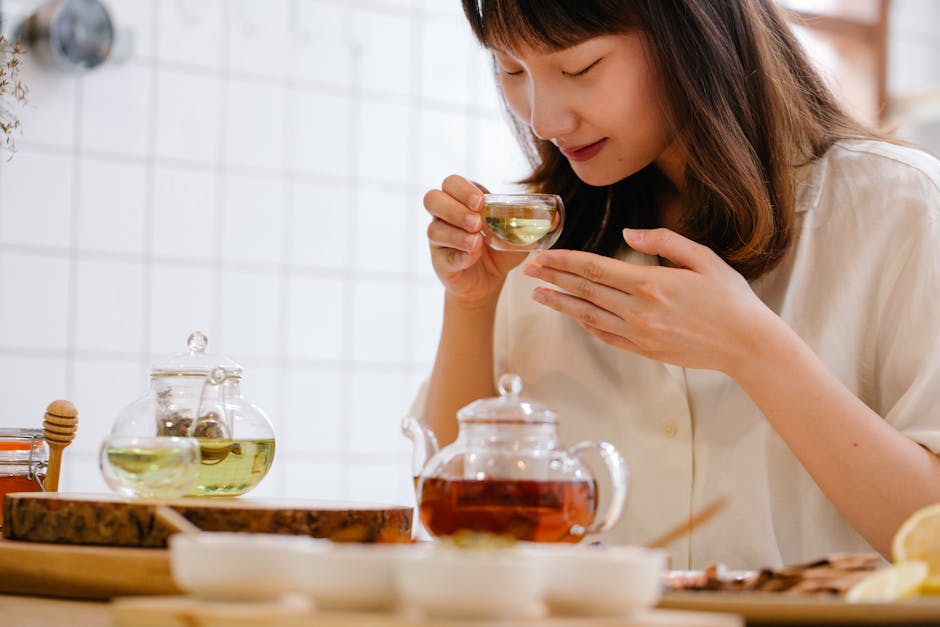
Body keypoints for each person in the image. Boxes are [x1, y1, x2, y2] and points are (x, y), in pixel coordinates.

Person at [417, 0, 940, 570]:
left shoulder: (899, 206)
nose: (544, 121)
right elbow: (460, 523)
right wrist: (470, 303)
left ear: (696, 36)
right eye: (512, 70)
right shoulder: (539, 236)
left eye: (580, 69)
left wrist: (757, 353)